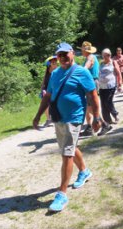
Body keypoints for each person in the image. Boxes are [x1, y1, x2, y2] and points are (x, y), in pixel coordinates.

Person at [32, 42, 102, 213]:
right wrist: (38, 115)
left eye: (65, 54)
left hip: (74, 118)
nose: (62, 58)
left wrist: (97, 117)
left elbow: (93, 96)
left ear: (72, 53)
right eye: (59, 56)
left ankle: (61, 194)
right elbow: (48, 96)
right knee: (69, 148)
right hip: (58, 118)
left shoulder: (82, 72)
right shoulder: (55, 74)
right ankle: (84, 171)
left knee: (66, 154)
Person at [98, 48, 122, 130]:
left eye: (107, 55)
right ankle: (107, 120)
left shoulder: (113, 62)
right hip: (102, 87)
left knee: (108, 101)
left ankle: (115, 115)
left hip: (111, 86)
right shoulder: (101, 63)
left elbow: (118, 73)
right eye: (104, 55)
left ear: (110, 55)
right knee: (103, 103)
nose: (105, 57)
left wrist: (120, 83)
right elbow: (99, 73)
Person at [80, 41, 99, 137]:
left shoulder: (90, 57)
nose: (82, 52)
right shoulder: (90, 57)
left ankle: (103, 123)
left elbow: (85, 68)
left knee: (90, 107)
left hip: (91, 83)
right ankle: (89, 127)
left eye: (82, 50)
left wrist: (79, 71)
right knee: (87, 106)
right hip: (89, 83)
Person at [39, 55, 58, 127]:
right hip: (46, 89)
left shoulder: (58, 70)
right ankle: (48, 119)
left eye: (55, 61)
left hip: (54, 89)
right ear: (49, 63)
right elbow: (44, 79)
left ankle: (56, 118)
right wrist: (42, 88)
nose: (54, 63)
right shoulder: (47, 70)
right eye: (52, 62)